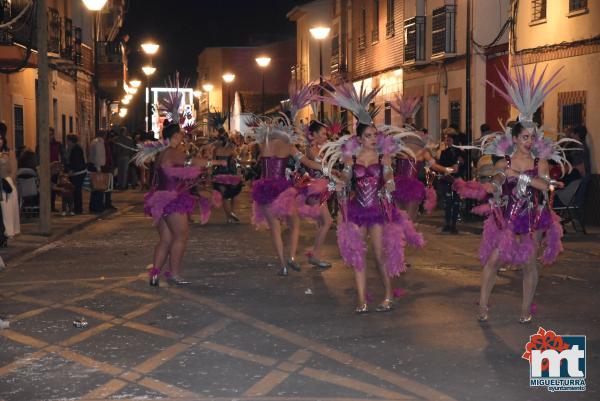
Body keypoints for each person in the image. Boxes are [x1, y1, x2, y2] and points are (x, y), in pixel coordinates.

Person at [455, 64, 567, 323]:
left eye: (532, 137)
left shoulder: (539, 161)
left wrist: (528, 178)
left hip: (534, 217)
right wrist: (488, 186)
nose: (530, 141)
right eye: (525, 137)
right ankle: (483, 305)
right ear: (515, 138)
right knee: (494, 260)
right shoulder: (504, 160)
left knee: (529, 263)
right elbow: (498, 178)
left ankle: (526, 309)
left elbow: (543, 184)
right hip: (506, 215)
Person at [320, 81, 424, 314]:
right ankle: (361, 299)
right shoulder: (351, 159)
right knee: (357, 254)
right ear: (359, 138)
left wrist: (389, 182)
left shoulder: (382, 158)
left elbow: (388, 174)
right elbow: (347, 180)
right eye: (368, 136)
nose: (373, 139)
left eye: (375, 135)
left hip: (377, 211)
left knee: (378, 254)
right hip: (358, 210)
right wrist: (337, 183)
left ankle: (388, 295)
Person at [141, 123, 224, 286]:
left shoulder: (161, 154)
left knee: (166, 238)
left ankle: (155, 275)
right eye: (180, 134)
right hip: (172, 200)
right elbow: (192, 161)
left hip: (160, 199)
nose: (182, 137)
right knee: (181, 236)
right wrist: (215, 163)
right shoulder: (171, 153)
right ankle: (174, 273)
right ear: (175, 136)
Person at [298, 120, 334, 268]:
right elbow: (319, 166)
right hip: (312, 188)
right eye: (323, 133)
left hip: (320, 188)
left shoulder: (319, 149)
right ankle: (314, 255)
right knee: (327, 221)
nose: (326, 136)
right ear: (313, 135)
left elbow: (325, 167)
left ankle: (316, 255)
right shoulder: (311, 149)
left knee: (322, 223)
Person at [212, 130, 243, 222]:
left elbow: (214, 162)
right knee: (233, 194)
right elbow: (237, 160)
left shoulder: (215, 150)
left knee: (224, 197)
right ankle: (231, 212)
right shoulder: (231, 149)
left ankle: (228, 216)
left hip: (219, 174)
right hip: (231, 174)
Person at [0, 128, 19, 239]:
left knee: (7, 211)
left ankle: (8, 232)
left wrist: (9, 180)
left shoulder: (9, 153)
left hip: (6, 185)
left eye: (1, 139)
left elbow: (14, 169)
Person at [66, 135, 86, 214]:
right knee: (76, 191)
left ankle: (78, 208)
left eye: (67, 140)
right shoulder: (75, 148)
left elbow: (76, 162)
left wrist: (72, 170)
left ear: (71, 141)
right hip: (78, 172)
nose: (67, 142)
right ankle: (77, 207)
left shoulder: (76, 149)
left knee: (77, 191)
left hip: (78, 173)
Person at [89, 131, 106, 213]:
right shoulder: (99, 142)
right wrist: (99, 168)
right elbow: (99, 156)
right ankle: (98, 206)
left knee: (95, 188)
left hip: (93, 165)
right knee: (99, 188)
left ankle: (94, 206)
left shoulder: (93, 142)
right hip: (97, 167)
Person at [49, 127, 65, 212]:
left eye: (50, 134)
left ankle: (52, 205)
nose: (49, 136)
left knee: (54, 188)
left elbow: (62, 155)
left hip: (55, 168)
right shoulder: (41, 144)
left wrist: (61, 165)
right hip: (46, 168)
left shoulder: (58, 144)